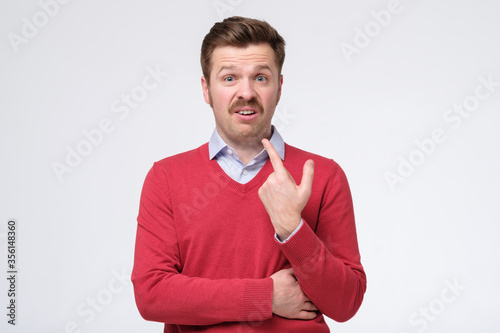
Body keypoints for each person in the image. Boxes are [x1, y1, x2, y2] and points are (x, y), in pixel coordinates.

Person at [132, 16, 366, 332]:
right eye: (229, 78)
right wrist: (264, 297)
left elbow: (346, 303)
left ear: (279, 87)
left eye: (260, 78)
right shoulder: (166, 178)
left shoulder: (323, 175)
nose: (246, 92)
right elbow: (152, 296)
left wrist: (292, 228)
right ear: (206, 89)